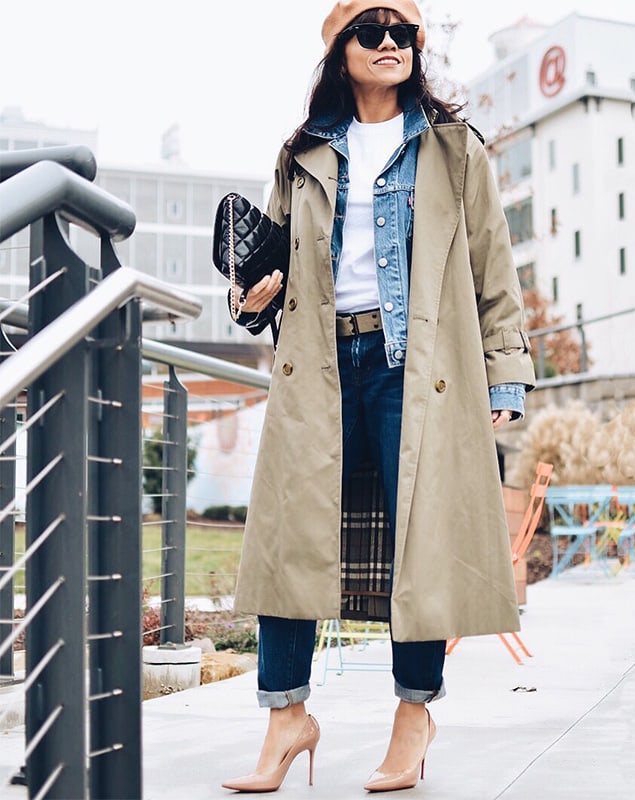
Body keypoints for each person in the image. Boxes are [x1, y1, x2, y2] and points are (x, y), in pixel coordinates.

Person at [221, 0, 536, 793]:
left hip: (416, 367)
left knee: (418, 542)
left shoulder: (453, 150)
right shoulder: (304, 153)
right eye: (373, 31)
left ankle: (413, 715)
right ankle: (286, 719)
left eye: (404, 33)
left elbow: (494, 273)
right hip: (320, 367)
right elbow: (274, 277)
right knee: (292, 536)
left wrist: (505, 372)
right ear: (340, 52)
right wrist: (250, 297)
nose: (390, 43)